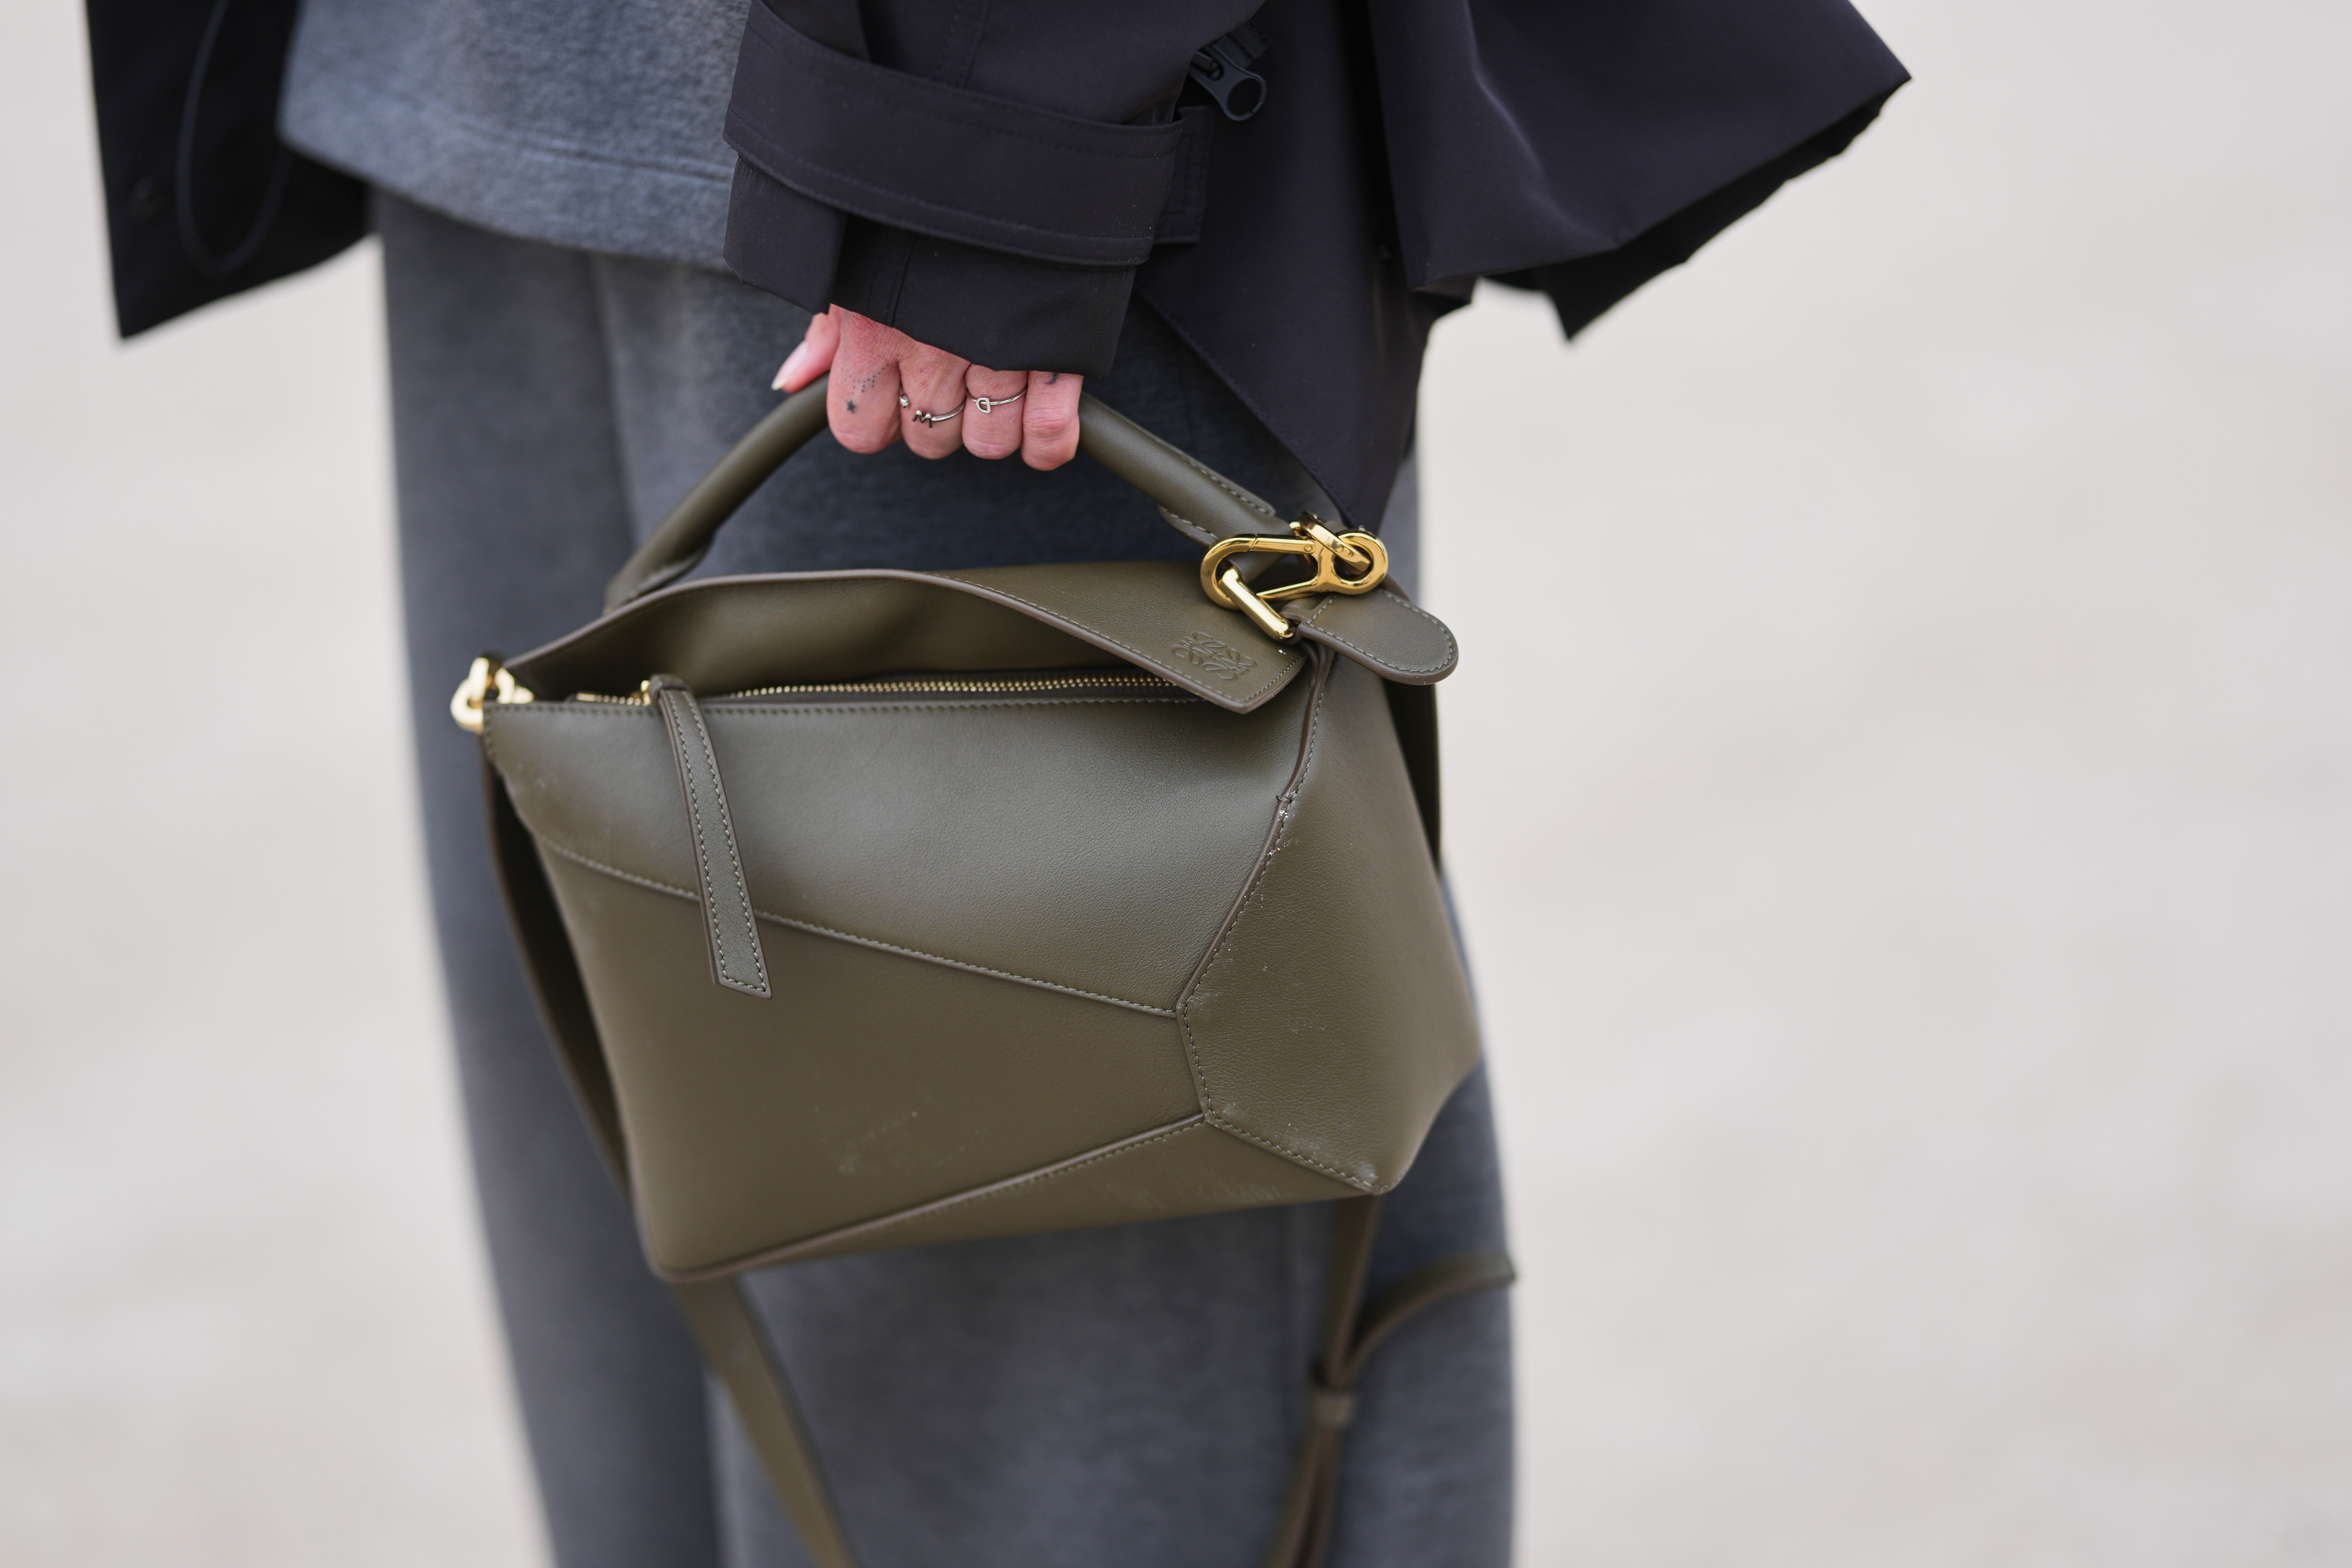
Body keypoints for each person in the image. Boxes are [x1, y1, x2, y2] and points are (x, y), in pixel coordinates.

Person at [85, 2, 1906, 1563]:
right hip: (501, 97)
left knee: (1062, 1408)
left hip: (937, 175)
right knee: (664, 1328)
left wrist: (991, 125)